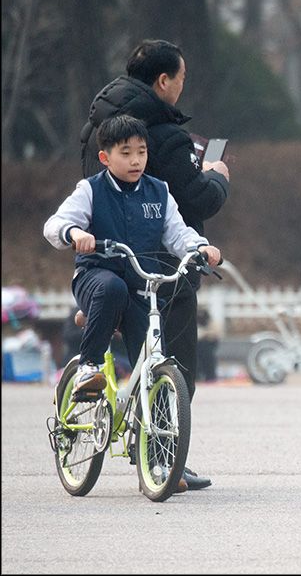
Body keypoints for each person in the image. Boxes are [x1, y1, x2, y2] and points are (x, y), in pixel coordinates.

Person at [80, 39, 229, 491]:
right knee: (173, 366)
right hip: (162, 267)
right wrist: (217, 177)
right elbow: (192, 198)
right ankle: (165, 461)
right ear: (163, 80)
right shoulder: (163, 135)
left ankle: (100, 315)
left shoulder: (100, 123)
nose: (182, 89)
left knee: (147, 360)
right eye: (181, 80)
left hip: (110, 259)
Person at [43, 115, 221, 407]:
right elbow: (54, 225)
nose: (135, 160)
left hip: (141, 283)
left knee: (152, 356)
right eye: (125, 153)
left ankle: (154, 434)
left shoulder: (159, 192)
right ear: (105, 157)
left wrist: (201, 248)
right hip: (97, 277)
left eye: (141, 151)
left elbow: (178, 233)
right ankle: (88, 368)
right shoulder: (90, 190)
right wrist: (74, 232)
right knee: (113, 288)